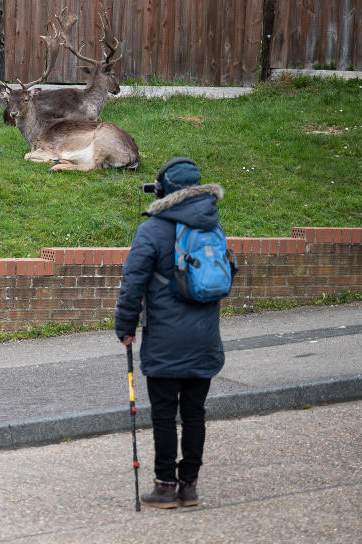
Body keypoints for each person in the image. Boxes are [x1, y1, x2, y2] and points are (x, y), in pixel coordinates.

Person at [114, 157, 226, 509]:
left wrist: (125, 326)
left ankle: (165, 487)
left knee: (164, 415)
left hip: (164, 340)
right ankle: (189, 486)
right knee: (195, 413)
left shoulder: (152, 230)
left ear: (164, 190)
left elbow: (132, 284)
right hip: (205, 339)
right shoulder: (212, 227)